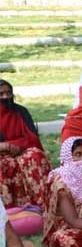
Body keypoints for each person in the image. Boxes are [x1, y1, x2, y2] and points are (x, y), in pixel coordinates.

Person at [0, 79, 51, 208]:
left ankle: (43, 205)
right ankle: (10, 211)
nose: (6, 97)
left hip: (22, 149)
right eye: (1, 94)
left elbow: (33, 137)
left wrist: (18, 147)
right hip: (1, 153)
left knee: (35, 156)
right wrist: (4, 146)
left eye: (9, 93)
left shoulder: (20, 111)